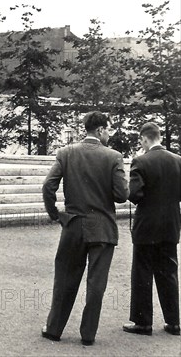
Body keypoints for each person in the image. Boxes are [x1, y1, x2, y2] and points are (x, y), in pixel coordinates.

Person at [42, 111, 128, 346]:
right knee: (96, 283)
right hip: (102, 228)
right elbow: (122, 196)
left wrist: (55, 214)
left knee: (65, 279)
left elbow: (48, 186)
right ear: (100, 130)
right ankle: (88, 334)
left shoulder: (66, 153)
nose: (108, 134)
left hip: (74, 225)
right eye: (107, 129)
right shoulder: (114, 156)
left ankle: (54, 329)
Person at [123, 122, 181, 336]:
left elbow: (135, 195)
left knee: (142, 272)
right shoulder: (178, 161)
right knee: (169, 273)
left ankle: (142, 322)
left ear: (145, 139)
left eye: (140, 141)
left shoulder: (140, 161)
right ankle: (173, 322)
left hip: (146, 226)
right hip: (171, 225)